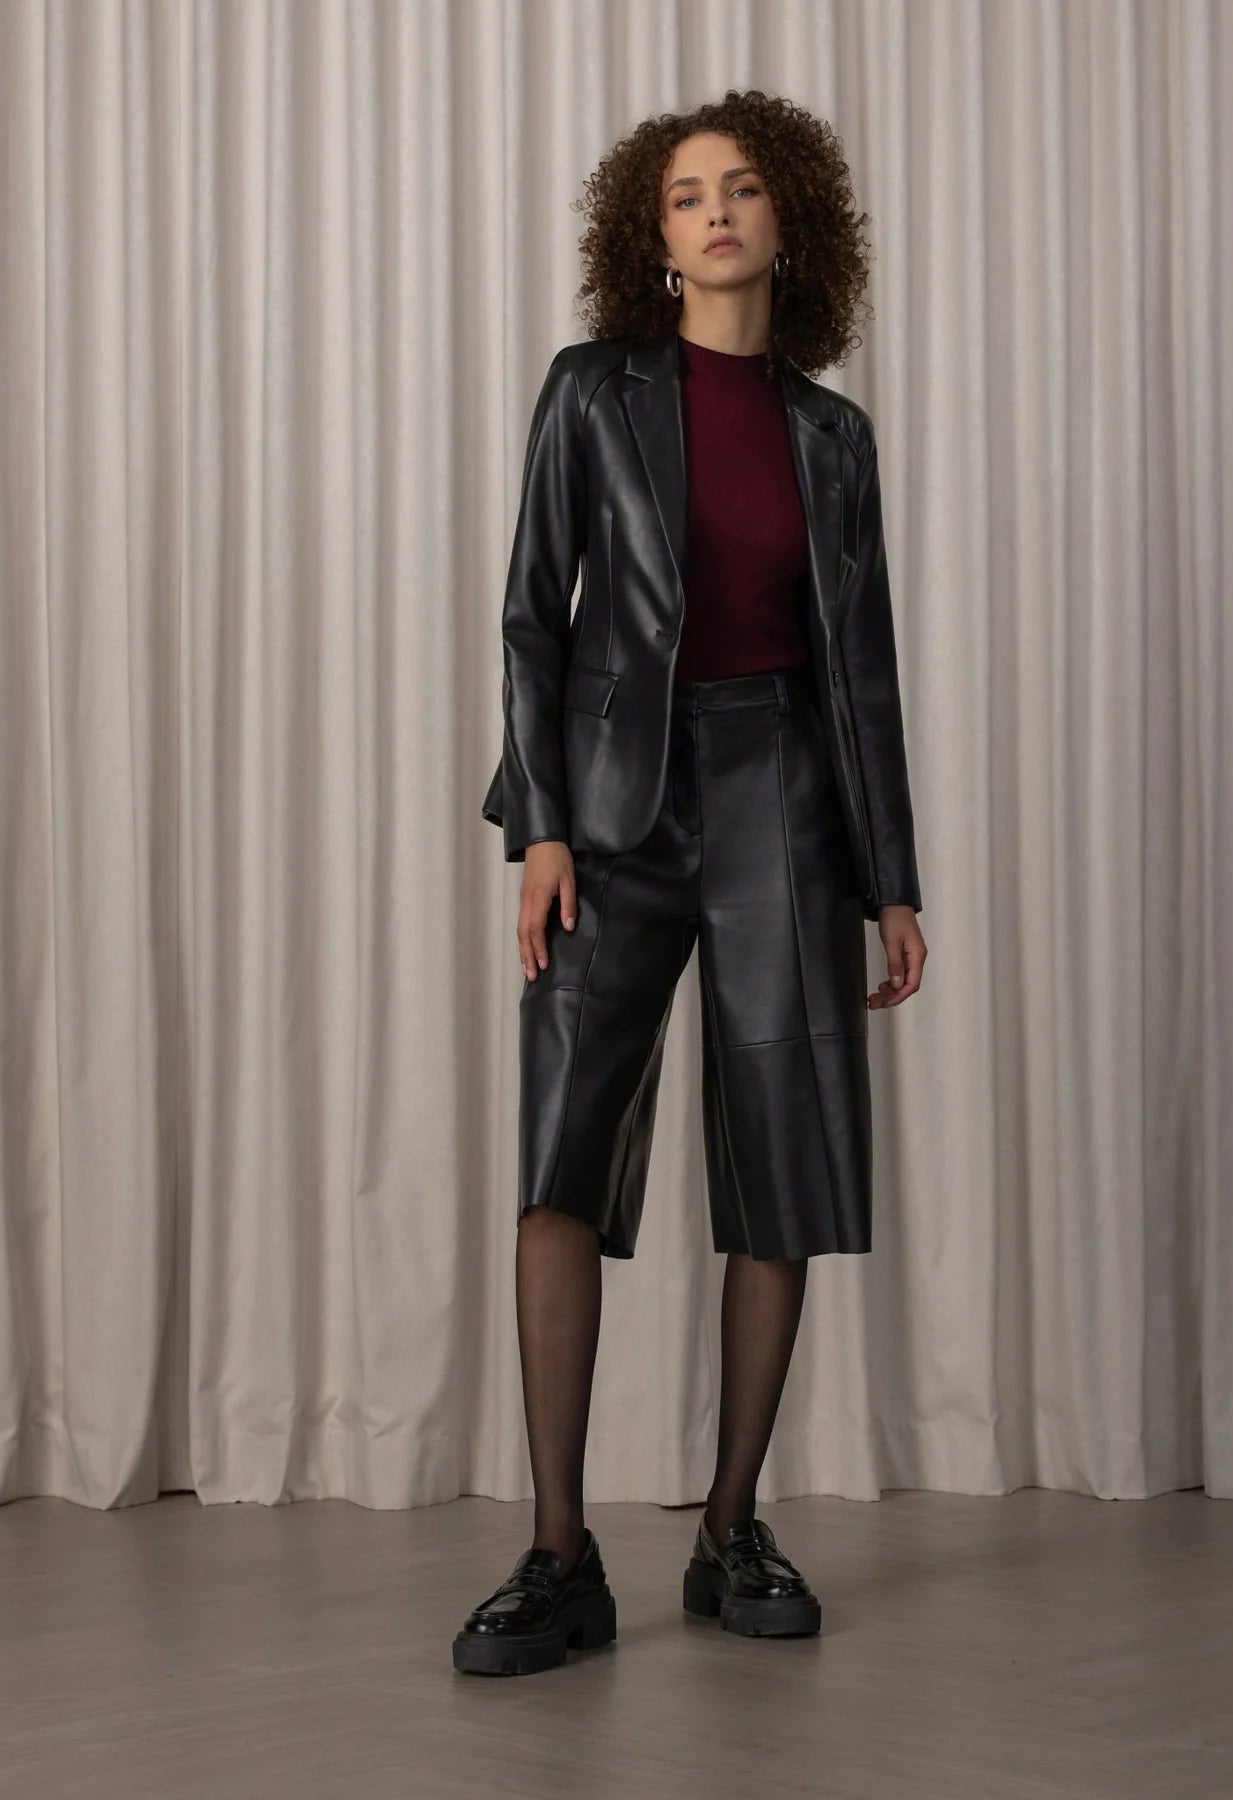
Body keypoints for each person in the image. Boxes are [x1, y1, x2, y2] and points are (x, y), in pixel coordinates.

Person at [453, 89, 926, 1678]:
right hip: (610, 812)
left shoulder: (833, 439)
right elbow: (533, 612)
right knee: (560, 1159)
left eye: (740, 189)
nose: (714, 212)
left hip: (784, 801)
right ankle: (558, 1553)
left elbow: (862, 671)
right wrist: (540, 827)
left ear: (792, 221)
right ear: (652, 240)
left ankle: (732, 1531)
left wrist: (891, 879)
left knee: (781, 1159)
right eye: (683, 196)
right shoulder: (592, 389)